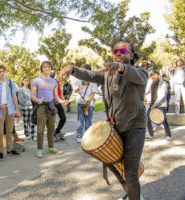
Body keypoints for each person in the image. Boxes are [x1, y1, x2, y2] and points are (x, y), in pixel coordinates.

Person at [59, 40, 148, 200]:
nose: (118, 53)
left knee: (130, 171)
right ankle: (131, 193)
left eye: (122, 50)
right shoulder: (108, 73)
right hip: (116, 128)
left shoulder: (140, 73)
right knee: (111, 162)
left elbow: (134, 73)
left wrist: (120, 67)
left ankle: (136, 197)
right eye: (115, 51)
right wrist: (72, 69)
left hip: (135, 127)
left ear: (131, 55)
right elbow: (90, 74)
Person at [31, 61, 65, 158]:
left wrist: (62, 101)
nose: (47, 69)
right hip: (41, 107)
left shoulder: (54, 82)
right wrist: (37, 100)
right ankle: (39, 149)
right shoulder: (36, 80)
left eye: (49, 67)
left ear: (51, 69)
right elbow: (32, 95)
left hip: (51, 107)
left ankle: (51, 148)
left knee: (51, 128)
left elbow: (56, 96)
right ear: (42, 68)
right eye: (45, 67)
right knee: (40, 129)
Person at [0, 65, 21, 161]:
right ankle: (0, 152)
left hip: (10, 108)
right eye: (0, 71)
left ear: (6, 72)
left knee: (10, 130)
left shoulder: (10, 82)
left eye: (3, 71)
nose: (2, 73)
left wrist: (17, 109)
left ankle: (10, 149)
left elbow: (14, 95)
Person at [71, 64, 98, 143]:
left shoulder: (78, 79)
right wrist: (89, 100)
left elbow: (75, 91)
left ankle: (79, 136)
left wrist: (79, 88)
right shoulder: (92, 80)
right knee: (88, 121)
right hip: (89, 103)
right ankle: (87, 137)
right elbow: (93, 92)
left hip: (81, 101)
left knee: (81, 119)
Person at [145, 70, 172, 141]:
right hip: (151, 103)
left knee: (163, 120)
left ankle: (168, 136)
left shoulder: (163, 83)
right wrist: (145, 98)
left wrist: (155, 104)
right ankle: (151, 135)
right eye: (151, 76)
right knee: (147, 120)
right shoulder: (150, 82)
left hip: (160, 104)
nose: (153, 77)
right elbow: (146, 91)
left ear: (158, 75)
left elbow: (162, 96)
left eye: (154, 75)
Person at [50, 68, 66, 140]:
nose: (53, 72)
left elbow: (59, 92)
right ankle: (52, 135)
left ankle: (57, 131)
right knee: (52, 120)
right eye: (51, 71)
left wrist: (61, 100)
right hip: (52, 103)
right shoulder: (47, 82)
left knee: (63, 118)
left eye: (54, 71)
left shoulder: (56, 81)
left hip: (58, 102)